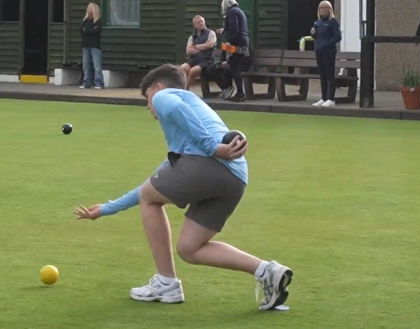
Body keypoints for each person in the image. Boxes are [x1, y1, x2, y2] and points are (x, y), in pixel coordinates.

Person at [72, 64, 294, 310]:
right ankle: (267, 271)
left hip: (208, 163)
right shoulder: (185, 134)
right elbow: (150, 187)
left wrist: (213, 148)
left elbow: (178, 111)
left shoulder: (165, 96)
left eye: (147, 99)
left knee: (150, 199)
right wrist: (106, 209)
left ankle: (166, 283)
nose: (149, 107)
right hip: (236, 178)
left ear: (158, 87)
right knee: (189, 248)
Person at [217, 0, 251, 102]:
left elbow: (234, 29)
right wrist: (224, 30)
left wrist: (229, 40)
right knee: (235, 67)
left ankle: (240, 93)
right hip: (243, 41)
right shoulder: (239, 11)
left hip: (236, 42)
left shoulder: (231, 12)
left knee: (235, 68)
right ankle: (239, 92)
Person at [310, 1, 341, 107]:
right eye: (321, 8)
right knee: (322, 75)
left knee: (329, 75)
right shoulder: (317, 23)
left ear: (329, 9)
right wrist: (313, 34)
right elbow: (316, 37)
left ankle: (331, 98)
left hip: (329, 51)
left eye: (325, 8)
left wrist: (327, 44)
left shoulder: (333, 22)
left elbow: (338, 36)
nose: (323, 10)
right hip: (319, 51)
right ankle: (323, 97)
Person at [180, 15, 217, 90]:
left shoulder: (211, 33)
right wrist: (204, 47)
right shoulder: (192, 37)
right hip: (195, 59)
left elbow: (210, 45)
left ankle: (183, 89)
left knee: (193, 71)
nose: (201, 23)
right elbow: (188, 51)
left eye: (202, 21)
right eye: (198, 22)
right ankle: (183, 88)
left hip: (207, 60)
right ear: (194, 25)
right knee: (182, 68)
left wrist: (195, 46)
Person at [80, 3, 104, 89]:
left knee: (97, 65)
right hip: (85, 45)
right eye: (88, 8)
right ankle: (86, 82)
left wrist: (87, 29)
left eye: (91, 8)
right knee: (85, 65)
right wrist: (89, 29)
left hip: (95, 45)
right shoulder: (85, 20)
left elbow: (95, 31)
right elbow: (81, 30)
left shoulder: (98, 21)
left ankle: (99, 83)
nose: (89, 10)